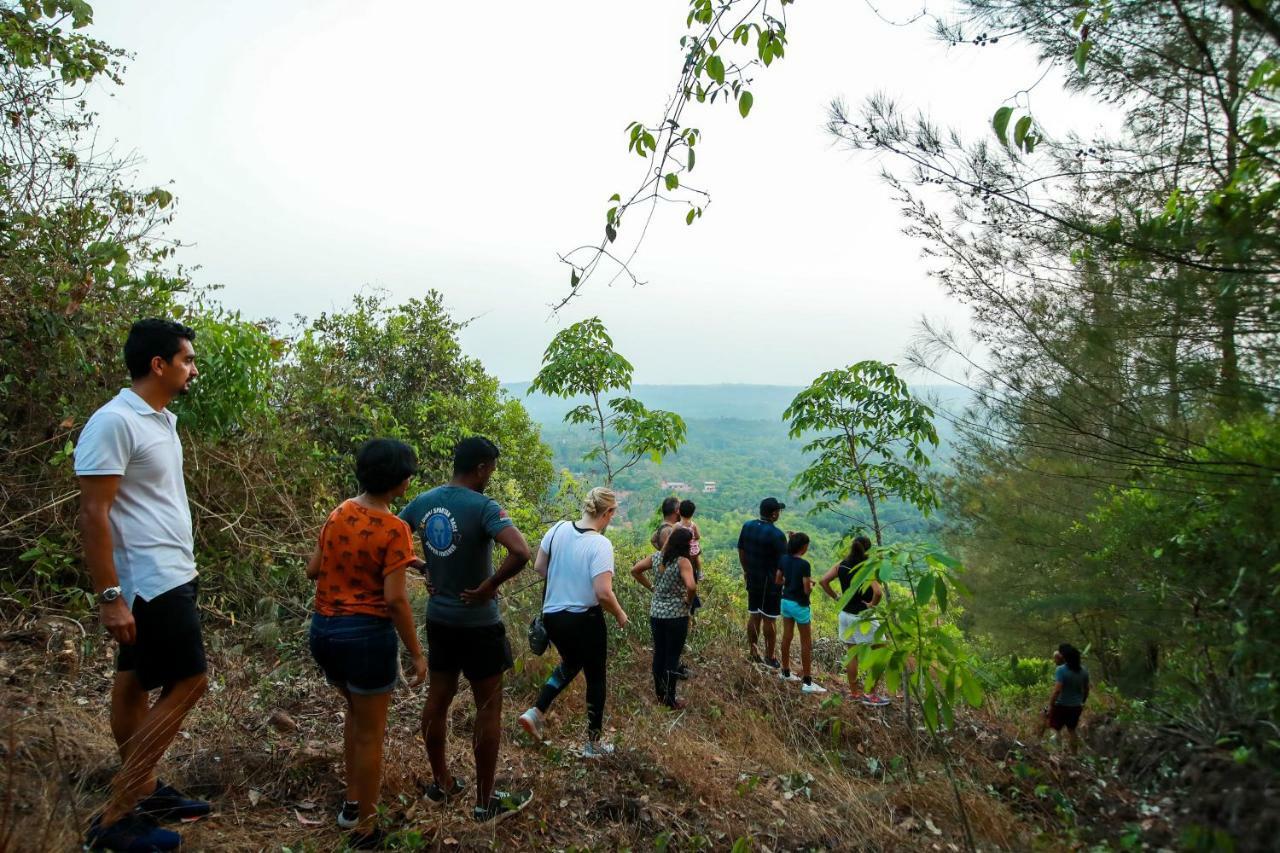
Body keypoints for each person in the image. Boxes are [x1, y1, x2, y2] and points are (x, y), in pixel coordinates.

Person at [76, 319, 211, 852]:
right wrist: (110, 596)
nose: (193, 369)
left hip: (174, 570)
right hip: (147, 579)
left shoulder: (160, 420)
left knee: (134, 681)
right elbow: (93, 514)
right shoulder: (114, 423)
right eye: (187, 360)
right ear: (159, 364)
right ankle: (116, 815)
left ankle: (147, 790)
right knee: (191, 681)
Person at [400, 437, 534, 823]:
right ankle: (484, 801)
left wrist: (419, 564)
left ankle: (441, 783)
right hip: (478, 624)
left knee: (437, 700)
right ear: (481, 468)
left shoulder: (423, 502)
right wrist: (489, 587)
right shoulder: (484, 507)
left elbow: (392, 535)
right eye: (491, 468)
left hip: (440, 620)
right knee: (488, 708)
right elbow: (521, 552)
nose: (491, 475)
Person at [305, 439, 427, 849]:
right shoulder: (396, 529)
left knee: (355, 716)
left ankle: (352, 804)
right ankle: (366, 829)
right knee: (371, 732)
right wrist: (415, 652)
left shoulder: (340, 511)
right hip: (366, 638)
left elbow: (314, 568)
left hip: (324, 633)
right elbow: (395, 599)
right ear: (403, 483)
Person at [518, 487, 629, 757]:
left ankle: (536, 711)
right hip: (585, 619)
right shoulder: (600, 544)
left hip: (554, 618)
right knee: (596, 678)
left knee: (571, 663)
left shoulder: (557, 529)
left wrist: (566, 578)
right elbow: (603, 592)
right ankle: (593, 743)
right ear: (608, 513)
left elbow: (540, 567)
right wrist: (619, 613)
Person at [819, 535, 891, 706]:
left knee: (852, 654)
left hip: (845, 615)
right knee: (881, 652)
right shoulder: (865, 568)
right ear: (868, 550)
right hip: (862, 617)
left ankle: (855, 693)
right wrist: (872, 605)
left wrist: (837, 597)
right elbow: (878, 592)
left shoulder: (842, 564)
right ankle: (872, 694)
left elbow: (823, 581)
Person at [631, 526, 697, 709]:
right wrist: (688, 601)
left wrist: (652, 587)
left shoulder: (657, 557)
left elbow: (635, 570)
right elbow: (691, 586)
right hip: (676, 615)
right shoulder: (683, 562)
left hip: (656, 614)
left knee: (659, 654)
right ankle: (670, 700)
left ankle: (660, 695)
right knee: (672, 657)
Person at [737, 497, 787, 668]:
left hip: (752, 577)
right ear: (773, 514)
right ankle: (770, 656)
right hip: (771, 583)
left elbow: (741, 551)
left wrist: (746, 570)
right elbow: (783, 563)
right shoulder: (778, 535)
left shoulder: (748, 526)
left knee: (754, 615)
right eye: (778, 511)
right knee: (769, 619)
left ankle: (753, 651)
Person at [776, 533, 826, 694]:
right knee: (806, 642)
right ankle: (807, 682)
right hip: (800, 605)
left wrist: (790, 582)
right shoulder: (804, 564)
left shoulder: (783, 559)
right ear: (803, 547)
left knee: (787, 636)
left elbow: (778, 580)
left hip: (785, 602)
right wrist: (811, 585)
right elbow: (806, 590)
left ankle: (785, 672)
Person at [1039, 643, 1090, 754]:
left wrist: (1051, 705)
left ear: (1066, 657)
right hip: (1076, 707)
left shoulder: (1061, 670)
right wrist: (1082, 702)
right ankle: (1074, 755)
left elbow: (1057, 690)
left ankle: (1057, 754)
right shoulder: (1084, 671)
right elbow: (1086, 690)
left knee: (1055, 730)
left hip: (1061, 705)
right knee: (1072, 731)